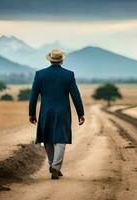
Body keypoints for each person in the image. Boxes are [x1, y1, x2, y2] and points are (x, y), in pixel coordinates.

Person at [29, 49, 85, 179]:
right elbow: (76, 95)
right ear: (62, 60)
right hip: (63, 111)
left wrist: (32, 113)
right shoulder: (69, 75)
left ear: (50, 59)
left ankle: (52, 165)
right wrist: (80, 113)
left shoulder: (39, 74)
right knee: (61, 139)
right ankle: (55, 166)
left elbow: (33, 96)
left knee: (47, 138)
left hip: (46, 111)